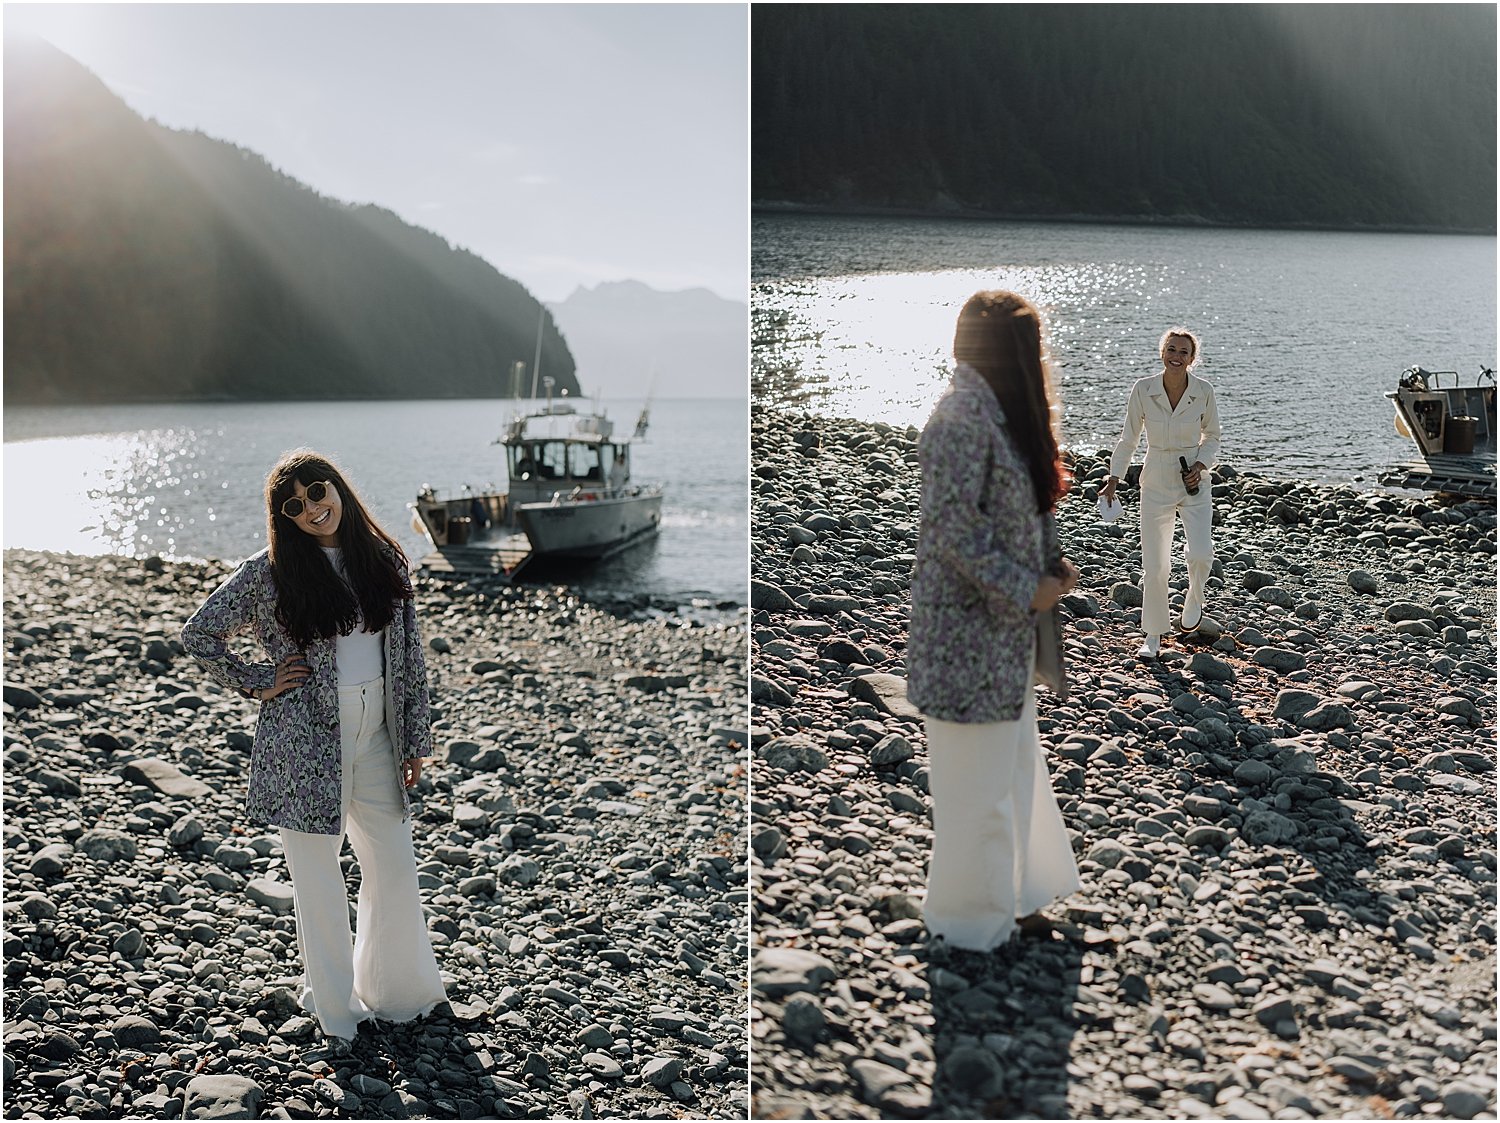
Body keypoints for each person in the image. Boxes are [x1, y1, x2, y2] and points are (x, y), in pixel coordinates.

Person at [181, 449, 447, 1054]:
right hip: (302, 741)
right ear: (285, 518)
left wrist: (414, 738)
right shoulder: (268, 573)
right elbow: (199, 633)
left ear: (337, 488)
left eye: (317, 492)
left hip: (378, 733)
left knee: (393, 864)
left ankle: (400, 995)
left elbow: (409, 656)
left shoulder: (382, 558)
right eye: (294, 506)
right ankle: (338, 1008)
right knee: (318, 878)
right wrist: (259, 680)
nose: (311, 509)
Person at [907, 290, 1083, 952]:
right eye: (1032, 345)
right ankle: (968, 927)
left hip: (1000, 641)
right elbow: (950, 530)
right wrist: (1025, 588)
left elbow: (1010, 515)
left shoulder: (996, 413)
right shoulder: (959, 420)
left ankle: (1014, 904)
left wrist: (1050, 569)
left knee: (1012, 772)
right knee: (974, 789)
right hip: (965, 639)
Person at [1101, 328, 1222, 659]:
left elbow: (1212, 435)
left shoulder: (1204, 391)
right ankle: (1153, 635)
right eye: (1171, 349)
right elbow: (1128, 438)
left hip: (1193, 479)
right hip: (1155, 479)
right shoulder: (1143, 389)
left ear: (1192, 358)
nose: (1176, 356)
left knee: (1202, 554)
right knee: (1155, 564)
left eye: (1183, 352)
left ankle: (1194, 599)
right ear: (1162, 352)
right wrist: (1114, 477)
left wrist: (1201, 464)